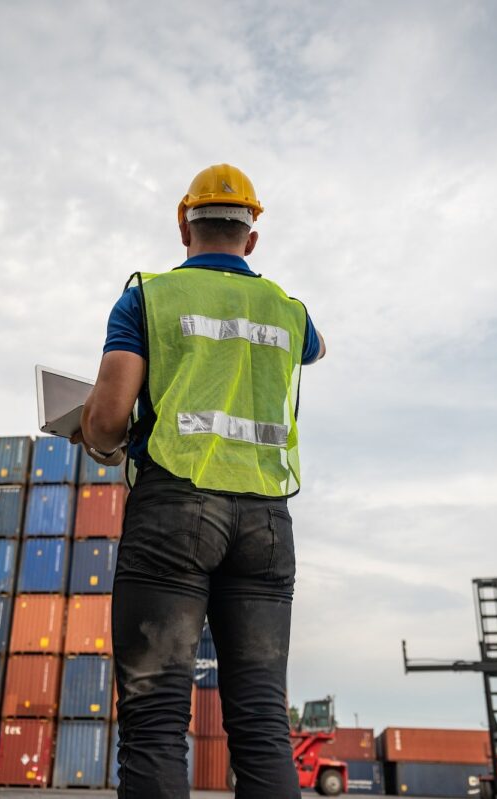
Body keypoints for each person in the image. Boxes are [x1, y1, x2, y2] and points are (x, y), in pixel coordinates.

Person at [76, 164, 326, 798]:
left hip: (175, 514)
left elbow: (106, 419)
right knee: (263, 722)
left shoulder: (148, 296)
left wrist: (103, 440)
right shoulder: (289, 310)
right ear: (252, 237)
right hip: (267, 524)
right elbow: (316, 348)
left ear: (183, 223)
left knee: (157, 720)